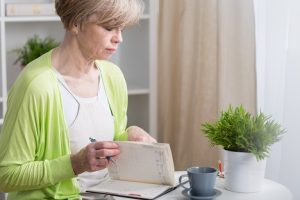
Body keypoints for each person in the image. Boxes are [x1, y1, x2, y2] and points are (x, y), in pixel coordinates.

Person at [0, 0, 156, 199]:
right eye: (109, 27)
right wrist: (75, 164)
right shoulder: (36, 86)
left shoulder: (112, 76)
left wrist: (129, 136)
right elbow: (6, 176)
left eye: (121, 28)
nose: (119, 39)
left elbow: (105, 146)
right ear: (75, 23)